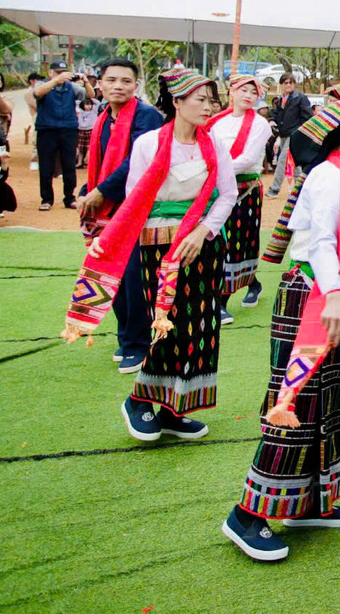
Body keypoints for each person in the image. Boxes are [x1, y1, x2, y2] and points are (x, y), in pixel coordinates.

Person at [223, 98, 340, 562]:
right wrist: (335, 293)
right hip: (313, 298)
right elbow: (320, 241)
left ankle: (308, 503)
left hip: (334, 295)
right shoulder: (327, 176)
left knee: (330, 400)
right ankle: (248, 514)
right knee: (295, 399)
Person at [62, 68, 237, 442]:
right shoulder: (150, 144)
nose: (208, 107)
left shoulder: (215, 144)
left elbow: (227, 195)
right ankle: (139, 401)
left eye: (212, 100)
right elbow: (138, 199)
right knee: (165, 325)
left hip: (203, 245)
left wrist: (203, 231)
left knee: (201, 327)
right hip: (157, 244)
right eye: (200, 100)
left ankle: (175, 409)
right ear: (177, 103)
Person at [77, 58, 167, 372]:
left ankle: (139, 343)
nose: (118, 86)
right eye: (111, 80)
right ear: (99, 84)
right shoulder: (104, 117)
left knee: (133, 278)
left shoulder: (146, 116)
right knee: (109, 274)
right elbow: (98, 161)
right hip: (108, 209)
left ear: (136, 86)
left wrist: (101, 191)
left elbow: (138, 162)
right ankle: (126, 337)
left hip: (136, 208)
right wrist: (88, 191)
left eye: (126, 81)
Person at [262, 82, 340, 265]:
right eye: (330, 101)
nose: (331, 105)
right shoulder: (327, 121)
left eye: (335, 100)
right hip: (321, 172)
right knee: (317, 219)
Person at [209, 74, 274, 322]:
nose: (248, 96)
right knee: (218, 241)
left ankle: (221, 300)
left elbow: (247, 159)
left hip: (243, 190)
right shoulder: (217, 122)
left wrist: (213, 172)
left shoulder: (260, 125)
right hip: (215, 188)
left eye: (253, 92)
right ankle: (253, 283)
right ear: (232, 93)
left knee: (238, 243)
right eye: (243, 90)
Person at [32, 61, 88, 211]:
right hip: (47, 129)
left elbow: (89, 95)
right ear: (50, 73)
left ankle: (69, 198)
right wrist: (56, 80)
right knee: (46, 166)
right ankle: (46, 199)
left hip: (68, 129)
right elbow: (37, 93)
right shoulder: (43, 85)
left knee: (69, 165)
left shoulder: (71, 87)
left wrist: (86, 81)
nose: (61, 75)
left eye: (63, 72)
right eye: (57, 72)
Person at [266, 73, 312, 199]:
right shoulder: (281, 99)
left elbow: (307, 117)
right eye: (285, 82)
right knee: (295, 163)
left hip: (294, 135)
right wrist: (271, 120)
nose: (288, 85)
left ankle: (274, 189)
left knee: (282, 161)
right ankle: (300, 189)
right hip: (283, 134)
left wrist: (300, 133)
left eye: (290, 82)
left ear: (294, 84)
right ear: (281, 85)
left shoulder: (301, 98)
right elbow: (275, 114)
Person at [75, 96, 98, 163]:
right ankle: (79, 162)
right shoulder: (79, 111)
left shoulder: (94, 111)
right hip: (81, 130)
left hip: (91, 130)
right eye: (86, 104)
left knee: (89, 147)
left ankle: (88, 161)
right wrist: (83, 98)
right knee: (80, 148)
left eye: (90, 104)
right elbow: (75, 102)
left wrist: (90, 97)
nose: (88, 106)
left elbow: (97, 103)